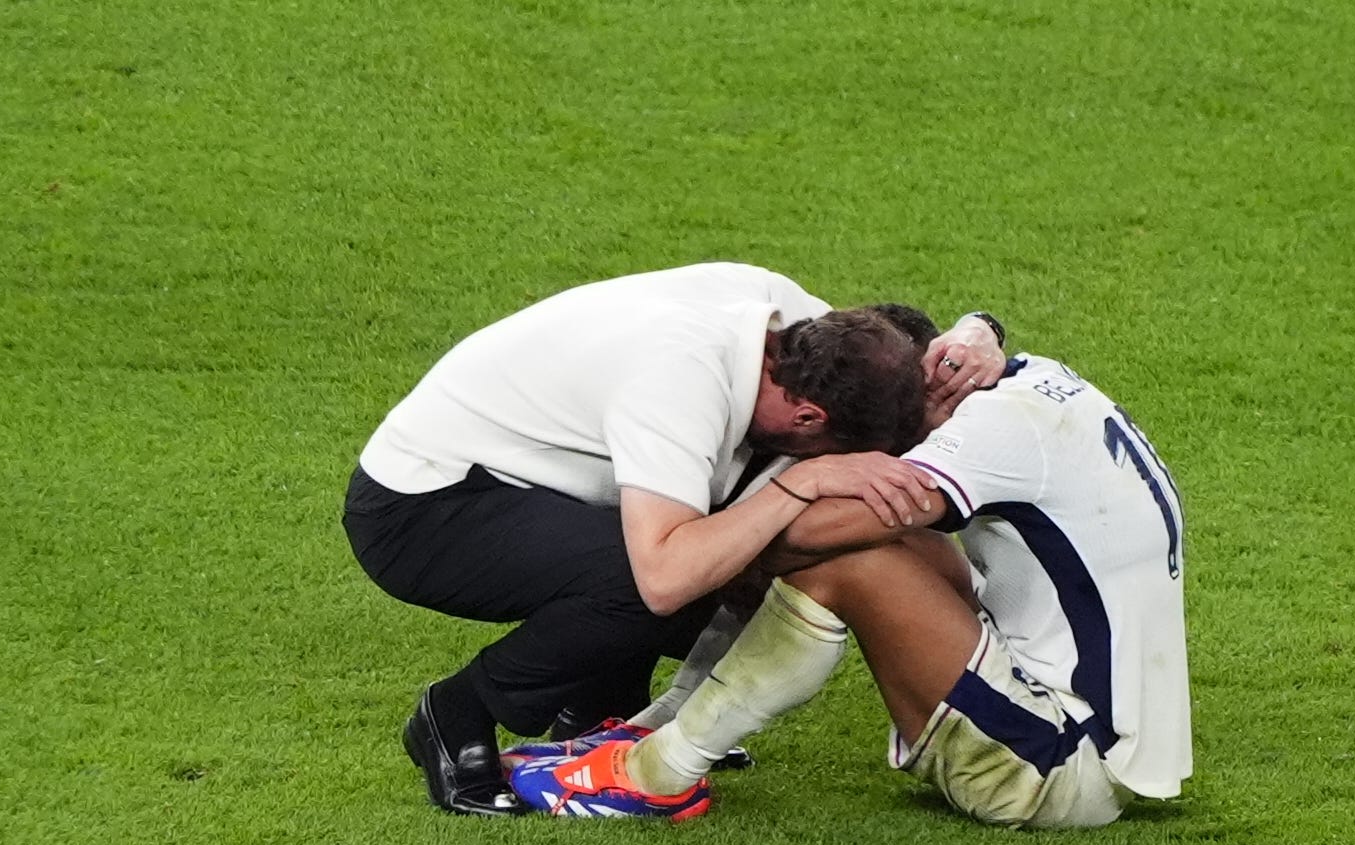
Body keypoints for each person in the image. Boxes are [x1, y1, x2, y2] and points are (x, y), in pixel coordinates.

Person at [343, 265, 1007, 816]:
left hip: (534, 479)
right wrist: (800, 486)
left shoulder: (816, 337)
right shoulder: (680, 382)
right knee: (655, 578)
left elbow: (919, 352)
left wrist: (982, 333)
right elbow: (663, 575)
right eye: (839, 448)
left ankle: (599, 718)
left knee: (741, 547)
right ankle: (456, 713)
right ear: (808, 417)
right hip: (426, 504)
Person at [510, 304, 1192, 828]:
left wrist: (780, 493)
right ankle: (655, 729)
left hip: (1053, 770)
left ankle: (655, 772)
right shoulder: (1033, 383)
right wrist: (981, 324)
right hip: (1092, 744)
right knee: (877, 541)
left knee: (842, 557)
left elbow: (779, 542)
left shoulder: (985, 433)